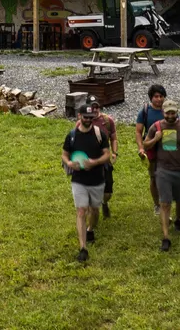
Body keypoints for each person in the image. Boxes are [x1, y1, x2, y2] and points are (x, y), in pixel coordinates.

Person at [143, 99, 180, 252]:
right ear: (163, 112)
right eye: (167, 112)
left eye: (173, 112)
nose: (170, 115)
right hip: (163, 171)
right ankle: (166, 237)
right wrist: (156, 138)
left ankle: (178, 219)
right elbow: (145, 145)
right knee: (165, 203)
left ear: (176, 112)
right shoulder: (156, 127)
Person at [62, 105, 114, 262]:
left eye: (90, 117)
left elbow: (107, 155)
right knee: (81, 211)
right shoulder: (72, 136)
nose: (88, 120)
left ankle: (91, 229)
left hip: (97, 179)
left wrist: (95, 162)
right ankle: (83, 248)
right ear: (79, 116)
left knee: (94, 211)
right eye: (85, 117)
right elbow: (64, 154)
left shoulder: (99, 135)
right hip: (79, 180)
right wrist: (69, 163)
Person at [135, 84, 168, 211]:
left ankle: (166, 199)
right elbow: (138, 132)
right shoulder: (145, 111)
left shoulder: (169, 110)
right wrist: (141, 148)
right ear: (151, 98)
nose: (159, 99)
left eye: (161, 96)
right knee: (154, 178)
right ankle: (157, 205)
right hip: (151, 148)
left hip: (167, 149)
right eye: (156, 96)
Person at [85, 98, 119, 219]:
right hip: (89, 163)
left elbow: (114, 138)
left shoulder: (107, 121)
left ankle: (104, 203)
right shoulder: (83, 122)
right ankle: (91, 220)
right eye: (91, 108)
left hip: (105, 162)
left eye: (96, 107)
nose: (94, 110)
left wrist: (114, 152)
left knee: (108, 192)